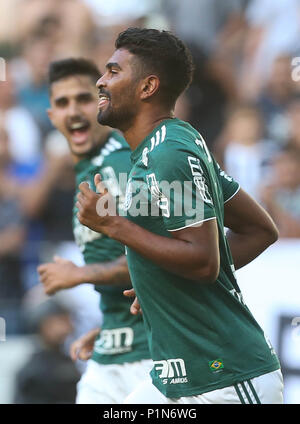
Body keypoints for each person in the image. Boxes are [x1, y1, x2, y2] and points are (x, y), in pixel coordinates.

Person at [76, 28, 284, 404]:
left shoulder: (168, 154)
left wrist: (112, 224)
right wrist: (161, 280)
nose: (101, 81)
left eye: (114, 71)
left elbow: (203, 261)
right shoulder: (172, 144)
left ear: (147, 87)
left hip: (224, 379)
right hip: (180, 380)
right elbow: (258, 230)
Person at [37, 58, 151, 404]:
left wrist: (79, 274)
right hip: (111, 352)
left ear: (105, 104)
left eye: (83, 99)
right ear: (51, 116)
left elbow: (165, 259)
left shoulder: (119, 167)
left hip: (151, 356)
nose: (73, 111)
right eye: (62, 102)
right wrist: (108, 331)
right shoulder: (92, 171)